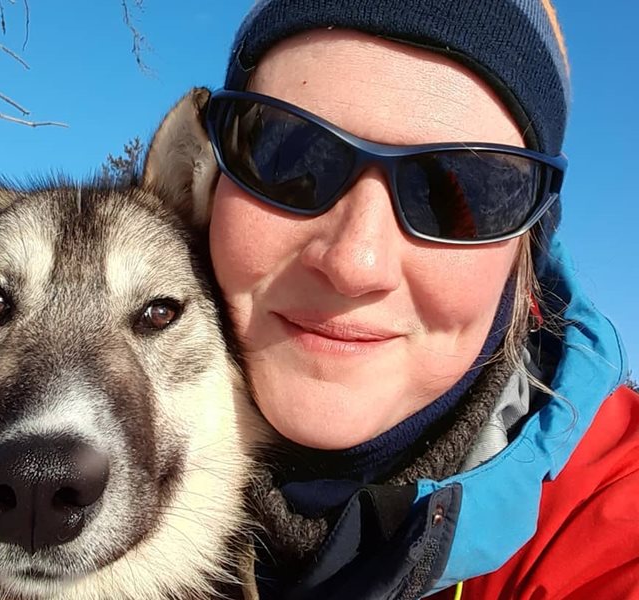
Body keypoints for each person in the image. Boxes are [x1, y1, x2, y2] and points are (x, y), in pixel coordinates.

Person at [200, 1, 639, 598]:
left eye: (455, 192)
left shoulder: (606, 514)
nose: (355, 263)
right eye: (291, 157)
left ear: (524, 253)